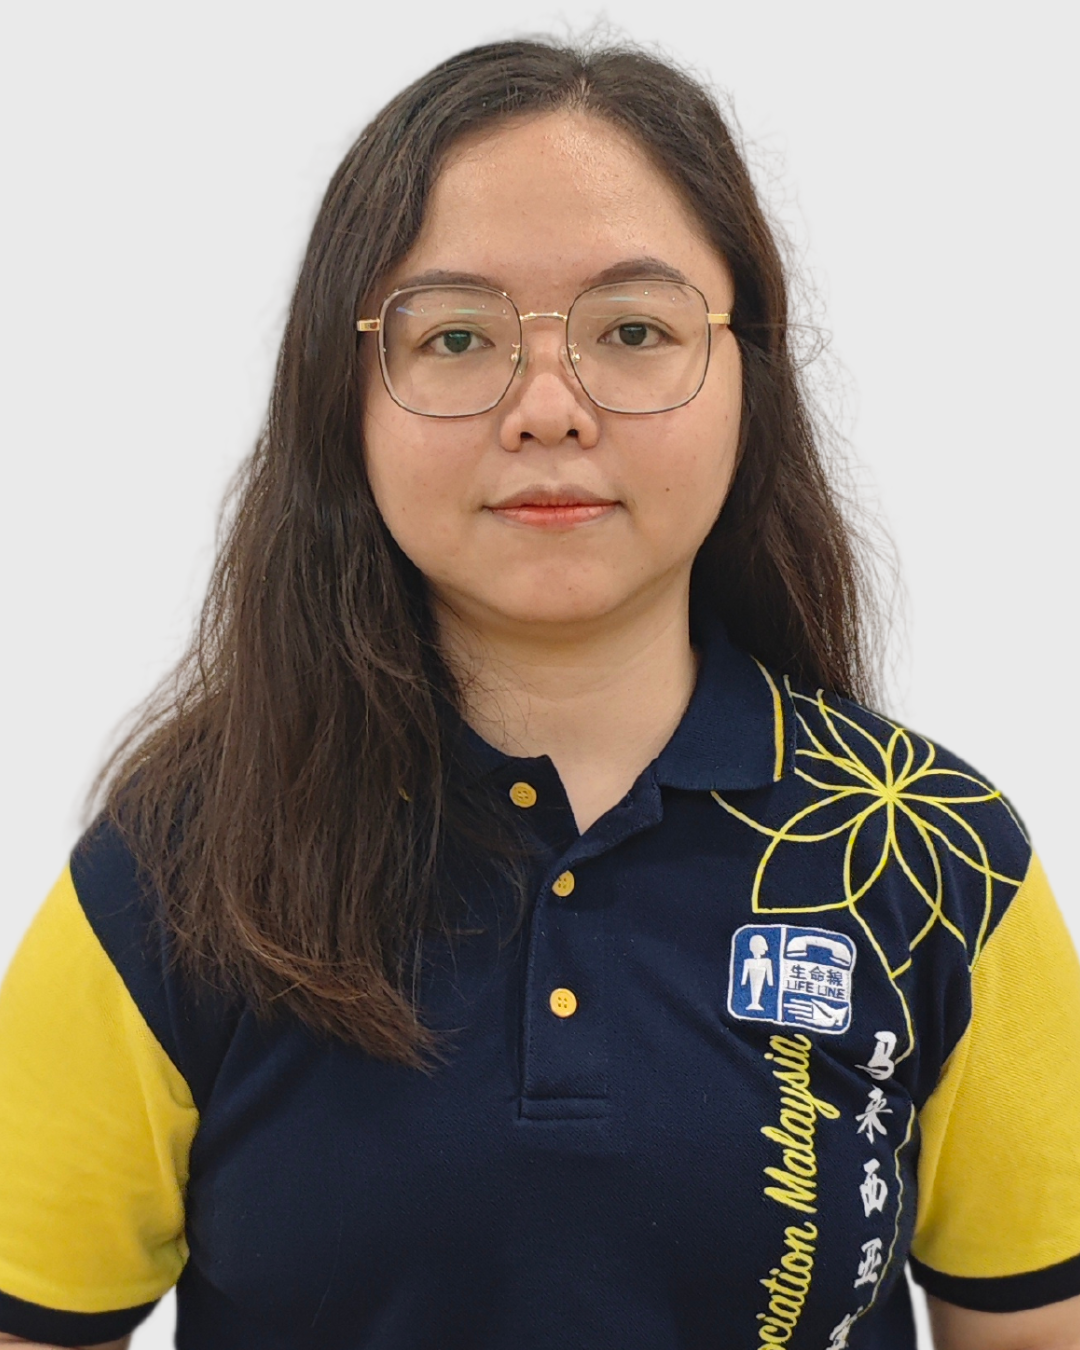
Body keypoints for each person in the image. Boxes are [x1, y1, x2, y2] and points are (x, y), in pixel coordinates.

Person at [0, 36, 1078, 1350]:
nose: (549, 408)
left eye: (634, 331)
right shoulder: (174, 869)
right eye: (458, 336)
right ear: (346, 393)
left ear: (749, 372)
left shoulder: (936, 856)